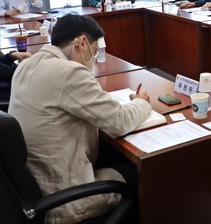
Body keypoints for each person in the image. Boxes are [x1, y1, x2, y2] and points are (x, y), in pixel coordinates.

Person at [8, 14, 152, 224]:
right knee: (145, 174)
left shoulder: (27, 64)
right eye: (95, 50)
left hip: (33, 188)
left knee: (114, 155)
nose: (93, 57)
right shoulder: (69, 72)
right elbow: (120, 121)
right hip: (64, 199)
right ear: (82, 43)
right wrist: (141, 103)